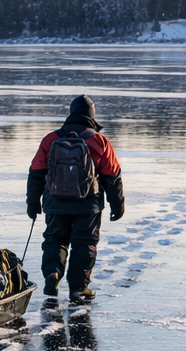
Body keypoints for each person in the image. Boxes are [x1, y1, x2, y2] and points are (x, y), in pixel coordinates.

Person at [26, 95, 126, 308]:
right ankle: (78, 288)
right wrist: (118, 205)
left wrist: (33, 202)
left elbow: (36, 172)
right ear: (92, 115)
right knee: (84, 243)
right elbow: (112, 176)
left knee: (55, 239)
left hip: (54, 202)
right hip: (88, 205)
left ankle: (52, 273)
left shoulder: (51, 139)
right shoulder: (99, 141)